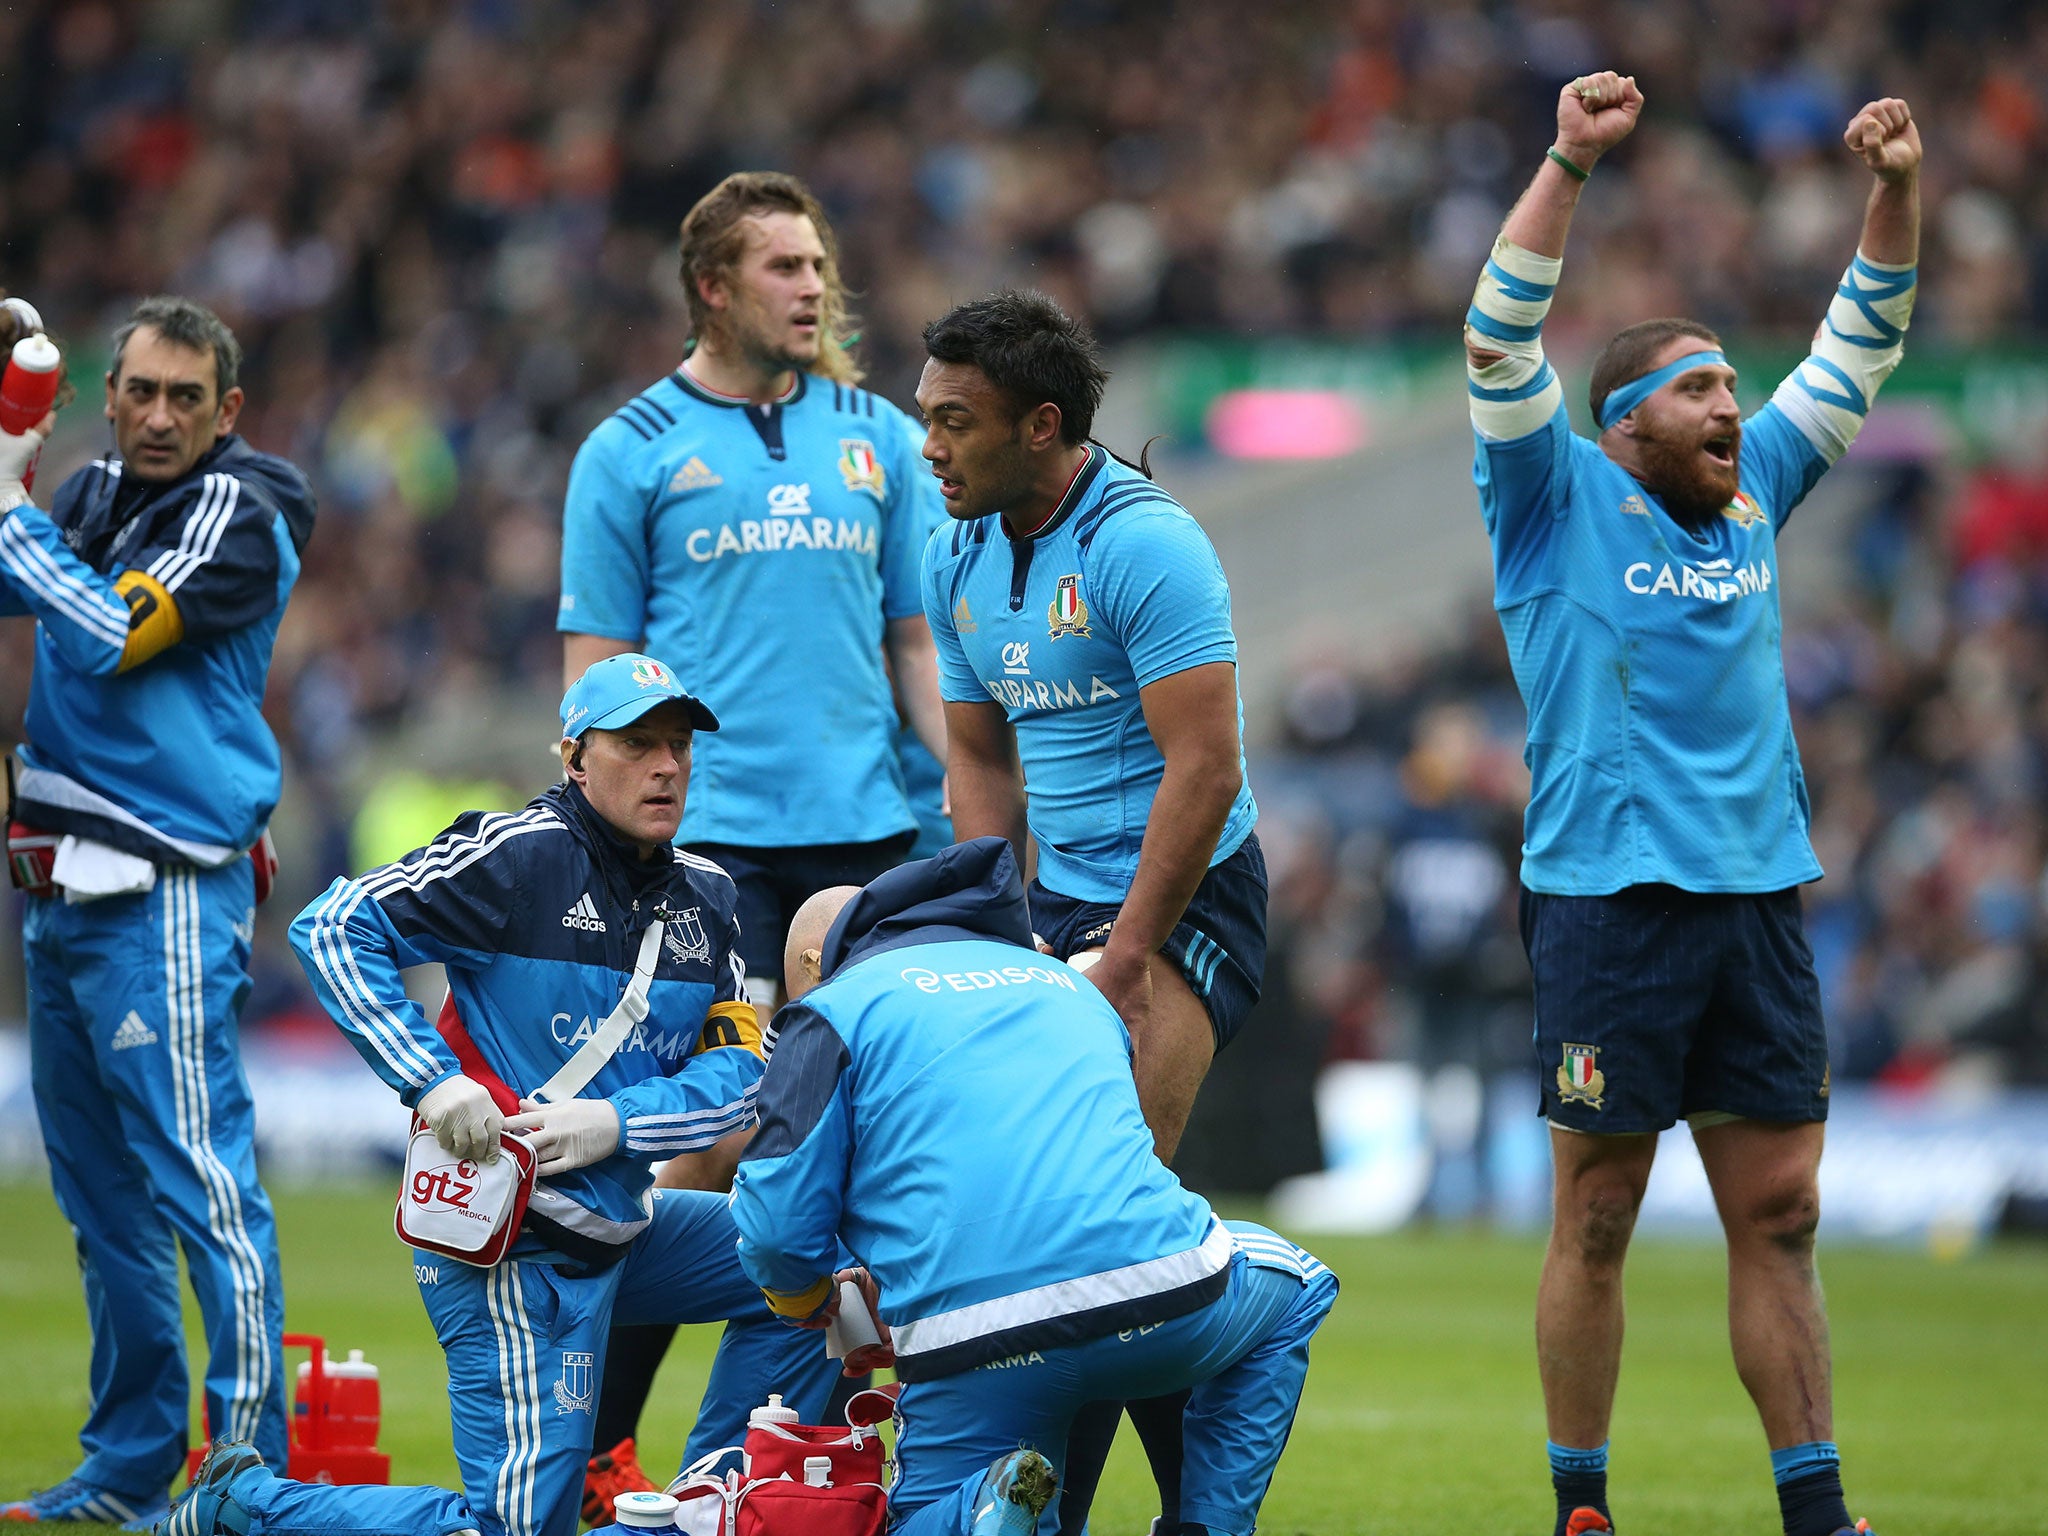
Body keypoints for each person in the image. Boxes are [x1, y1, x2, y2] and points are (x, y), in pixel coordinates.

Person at [1463, 72, 1920, 1536]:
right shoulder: (1550, 499)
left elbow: (1865, 337)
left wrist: (1893, 191)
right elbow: (1495, 332)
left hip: (1759, 900)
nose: (1738, 404)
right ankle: (1584, 1509)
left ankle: (1815, 1512)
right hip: (1608, 900)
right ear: (1624, 425)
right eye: (1704, 388)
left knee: (1780, 1214)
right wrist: (1569, 162)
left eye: (1735, 385)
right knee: (1594, 1215)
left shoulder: (1753, 495)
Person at [155, 653, 843, 1536]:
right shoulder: (519, 856)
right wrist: (432, 1082)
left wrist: (614, 1124)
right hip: (506, 1242)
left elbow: (745, 1074)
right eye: (638, 743)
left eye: (678, 745)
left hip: (617, 1227)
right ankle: (243, 1505)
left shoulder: (709, 898)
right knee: (515, 1531)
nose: (667, 765)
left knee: (815, 1267)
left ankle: (704, 1507)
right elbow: (331, 926)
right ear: (574, 758)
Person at [556, 170, 947, 1502]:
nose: (812, 284)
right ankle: (604, 1443)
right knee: (708, 1148)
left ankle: (786, 1455)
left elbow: (914, 638)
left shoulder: (882, 439)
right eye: (781, 266)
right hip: (712, 853)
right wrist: (604, 832)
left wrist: (965, 793)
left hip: (868, 848)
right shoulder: (633, 448)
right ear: (713, 288)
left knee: (859, 1152)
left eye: (817, 262)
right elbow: (598, 663)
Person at [916, 288, 1264, 1532]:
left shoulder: (1144, 543)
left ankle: (1159, 1510)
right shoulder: (952, 546)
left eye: (956, 421)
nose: (931, 446)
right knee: (1049, 1226)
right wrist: (984, 926)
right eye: (926, 418)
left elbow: (1204, 767)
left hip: (1185, 897)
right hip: (1053, 900)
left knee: (1104, 1217)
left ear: (1040, 424)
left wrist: (1122, 957)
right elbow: (981, 761)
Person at [728, 837, 1336, 1536]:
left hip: (977, 1342)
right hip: (1159, 1297)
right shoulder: (1063, 983)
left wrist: (814, 1299)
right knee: (1298, 1284)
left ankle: (978, 1510)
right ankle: (1207, 1528)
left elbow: (776, 1230)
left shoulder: (834, 1006)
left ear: (814, 963)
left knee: (932, 1515)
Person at [0, 297, 314, 1528]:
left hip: (166, 891)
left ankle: (242, 1471)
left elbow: (114, 632)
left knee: (202, 1184)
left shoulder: (249, 503)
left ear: (226, 411)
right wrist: (17, 454)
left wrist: (10, 502)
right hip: (59, 890)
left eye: (189, 396)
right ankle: (130, 1462)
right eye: (140, 391)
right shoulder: (80, 498)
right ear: (108, 392)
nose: (161, 416)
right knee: (100, 1204)